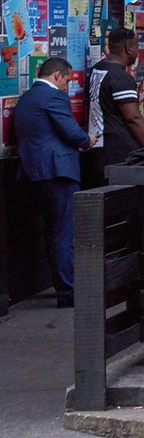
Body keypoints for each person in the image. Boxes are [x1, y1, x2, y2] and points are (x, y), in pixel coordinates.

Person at [14, 57, 94, 307]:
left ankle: (62, 285)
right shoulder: (53, 97)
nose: (66, 86)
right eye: (67, 80)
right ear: (57, 75)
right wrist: (87, 140)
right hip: (58, 171)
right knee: (63, 231)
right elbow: (70, 131)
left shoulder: (26, 98)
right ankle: (69, 292)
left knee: (52, 229)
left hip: (34, 172)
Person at [86, 27, 144, 184]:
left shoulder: (97, 69)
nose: (137, 51)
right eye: (136, 47)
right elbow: (133, 118)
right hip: (119, 152)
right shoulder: (121, 77)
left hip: (98, 148)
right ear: (128, 48)